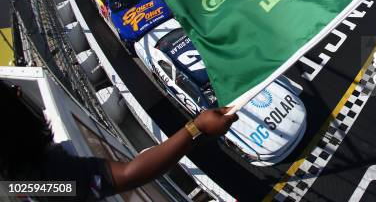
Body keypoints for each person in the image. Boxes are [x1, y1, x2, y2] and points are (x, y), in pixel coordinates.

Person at [0, 80, 238, 200]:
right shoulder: (49, 177)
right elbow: (127, 175)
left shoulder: (16, 184)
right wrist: (196, 128)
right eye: (13, 92)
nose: (19, 91)